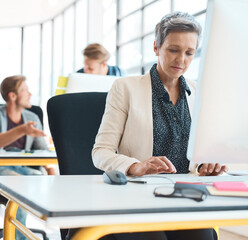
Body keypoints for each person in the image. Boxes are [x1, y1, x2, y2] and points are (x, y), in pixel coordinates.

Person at [89, 12, 228, 240]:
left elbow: (200, 152)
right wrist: (135, 166)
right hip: (137, 198)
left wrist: (206, 163)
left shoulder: (197, 92)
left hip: (184, 196)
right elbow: (100, 152)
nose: (181, 60)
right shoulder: (125, 88)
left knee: (203, 236)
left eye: (189, 53)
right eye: (173, 50)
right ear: (156, 47)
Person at [0, 75, 54, 240]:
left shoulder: (32, 118)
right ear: (12, 96)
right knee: (20, 190)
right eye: (25, 90)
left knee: (40, 179)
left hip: (23, 171)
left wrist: (51, 171)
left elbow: (42, 150)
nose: (30, 94)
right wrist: (21, 131)